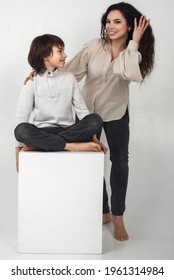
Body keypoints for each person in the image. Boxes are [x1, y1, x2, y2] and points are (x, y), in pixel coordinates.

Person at [25, 2, 155, 241]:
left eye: (117, 22)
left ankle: (118, 216)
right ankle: (103, 211)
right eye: (108, 21)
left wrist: (134, 41)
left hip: (116, 113)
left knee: (120, 162)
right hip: (87, 114)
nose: (110, 26)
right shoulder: (94, 46)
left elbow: (129, 74)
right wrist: (41, 71)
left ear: (129, 26)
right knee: (92, 160)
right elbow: (70, 72)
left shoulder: (133, 52)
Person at [15, 34, 108, 172]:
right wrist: (17, 152)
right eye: (60, 51)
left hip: (69, 130)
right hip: (43, 130)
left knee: (95, 120)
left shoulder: (69, 78)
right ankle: (71, 146)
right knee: (21, 130)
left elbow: (82, 110)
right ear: (45, 55)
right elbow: (22, 116)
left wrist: (94, 137)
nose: (65, 55)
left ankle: (41, 145)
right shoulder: (32, 82)